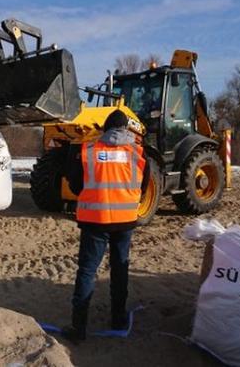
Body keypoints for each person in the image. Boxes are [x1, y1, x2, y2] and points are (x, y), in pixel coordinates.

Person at [62, 109, 149, 343]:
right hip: (125, 222)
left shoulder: (89, 150)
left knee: (87, 271)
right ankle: (118, 319)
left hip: (94, 221)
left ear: (105, 129)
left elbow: (75, 183)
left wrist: (95, 196)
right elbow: (144, 184)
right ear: (126, 129)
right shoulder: (138, 152)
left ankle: (78, 328)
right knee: (120, 270)